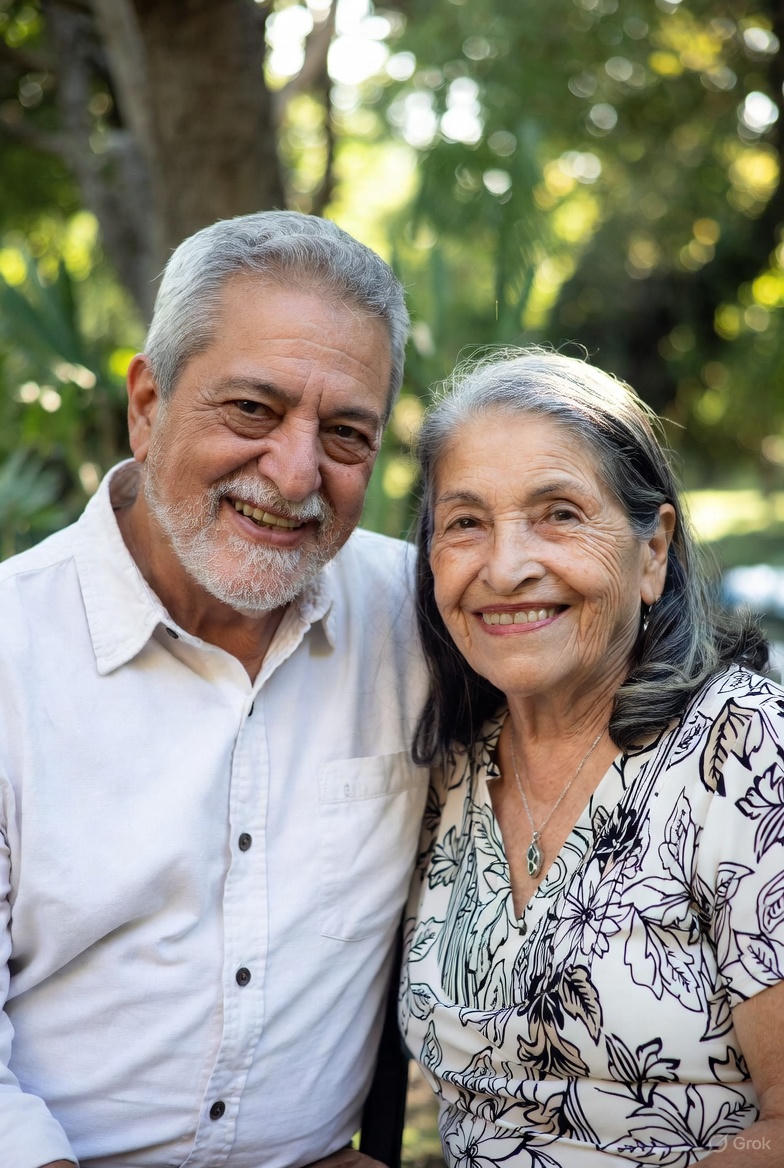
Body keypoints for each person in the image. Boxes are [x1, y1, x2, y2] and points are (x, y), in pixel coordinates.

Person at [0, 211, 429, 1168]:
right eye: (252, 410)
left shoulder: (422, 621)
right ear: (147, 405)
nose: (294, 471)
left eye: (347, 433)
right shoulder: (11, 655)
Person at [400, 348, 784, 1165]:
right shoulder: (449, 768)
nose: (505, 568)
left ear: (652, 553)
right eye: (465, 522)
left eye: (559, 513)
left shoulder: (742, 752)